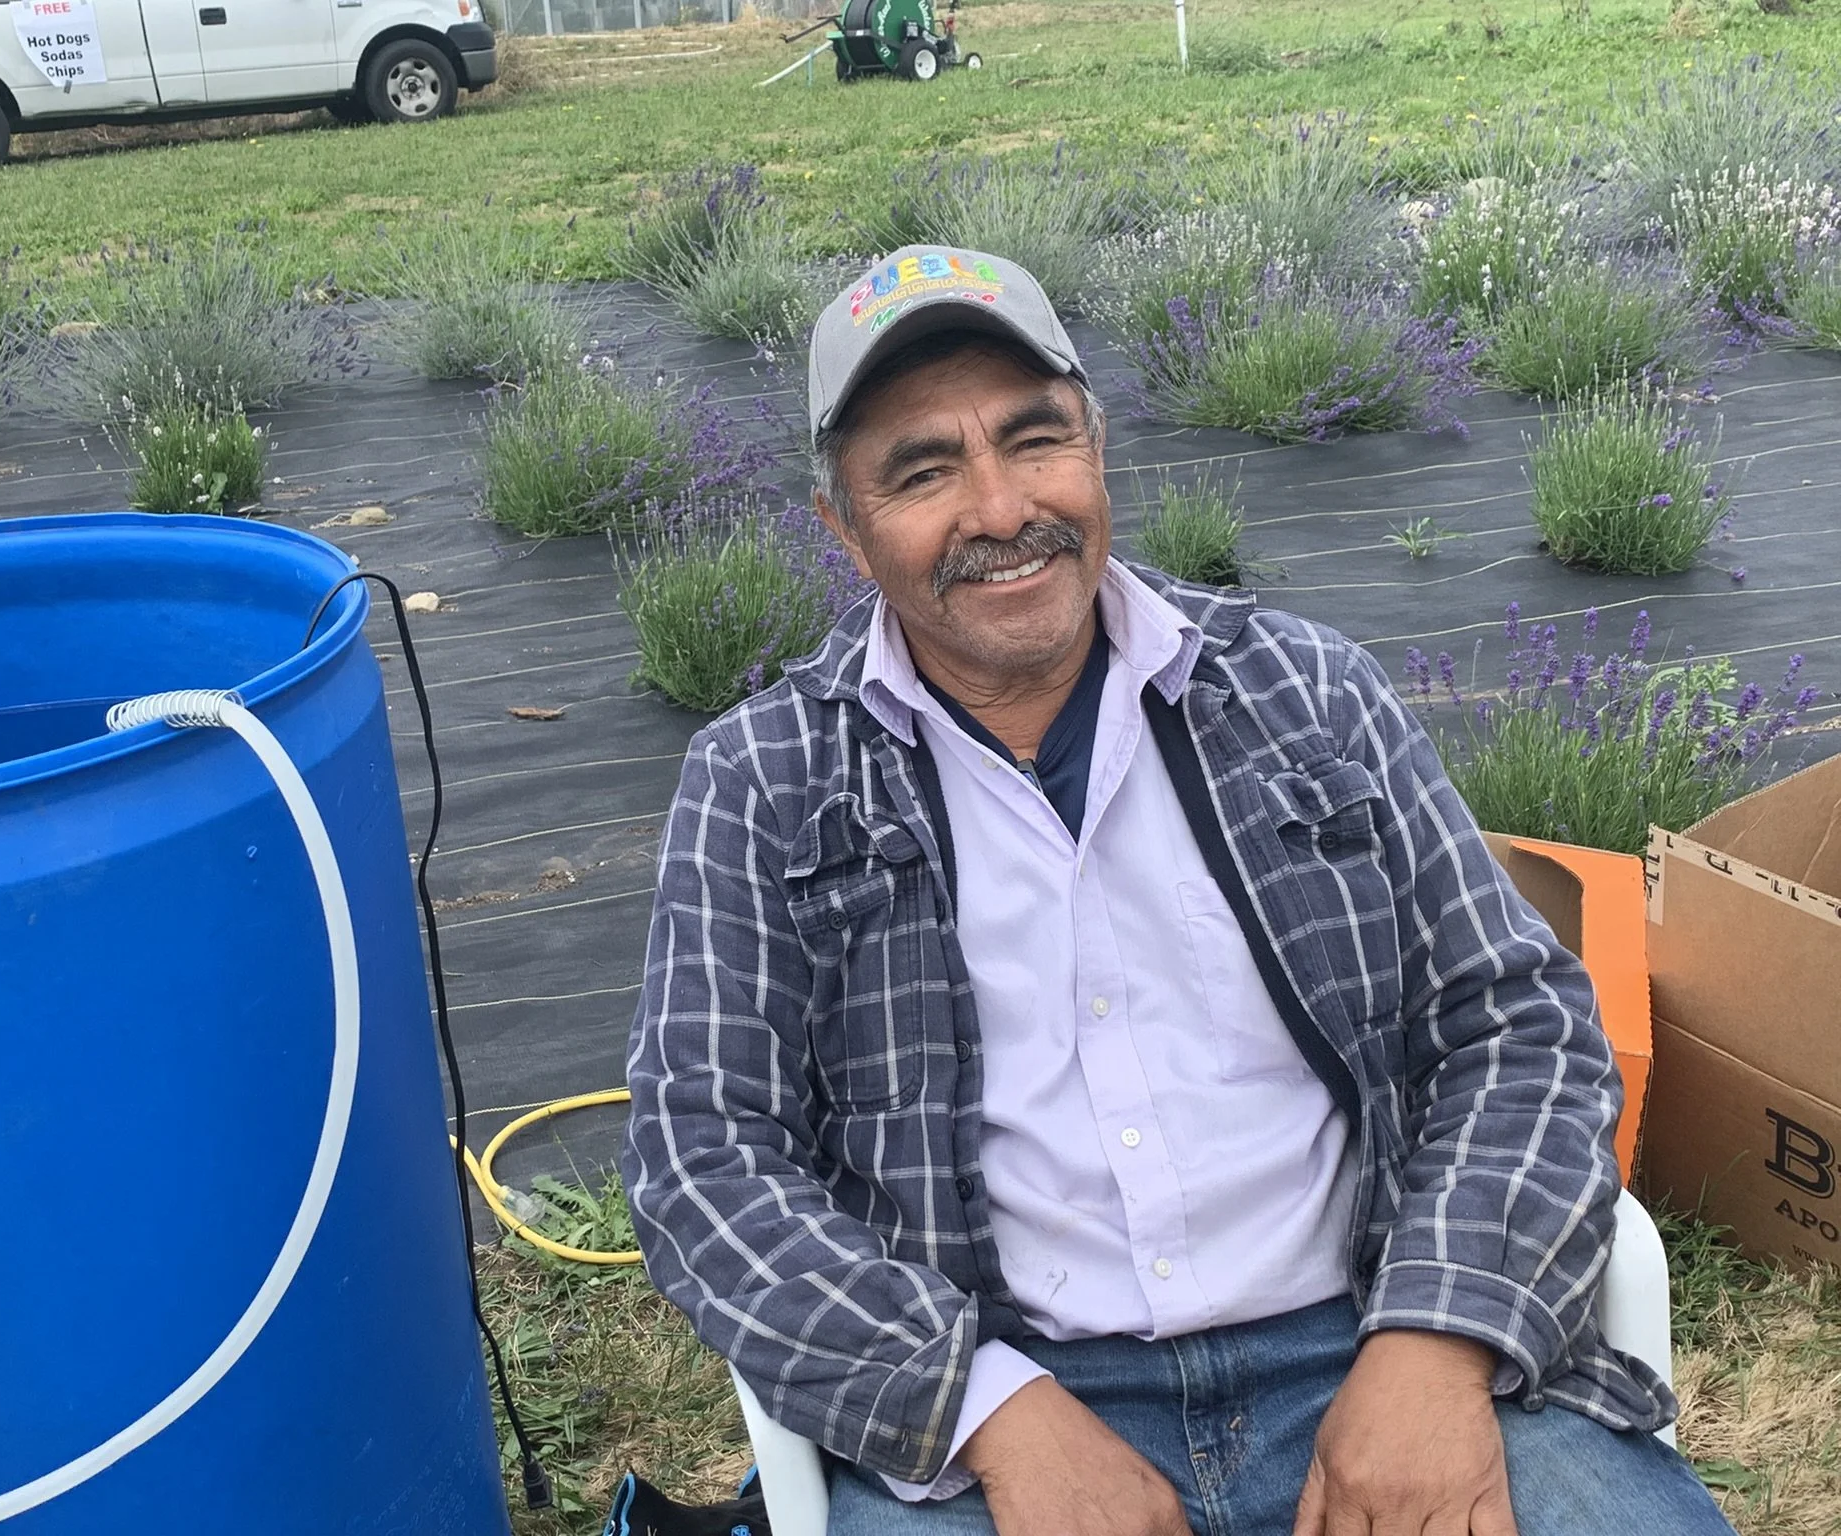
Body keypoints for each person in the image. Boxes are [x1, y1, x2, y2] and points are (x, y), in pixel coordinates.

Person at [621, 245, 1730, 1536]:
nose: (1000, 510)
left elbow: (1520, 1025)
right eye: (922, 473)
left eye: (1034, 440)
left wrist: (1436, 1346)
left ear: (1096, 449)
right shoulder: (765, 782)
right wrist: (983, 1411)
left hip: (1369, 1331)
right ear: (845, 531)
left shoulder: (1303, 692)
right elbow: (704, 1161)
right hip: (1009, 1392)